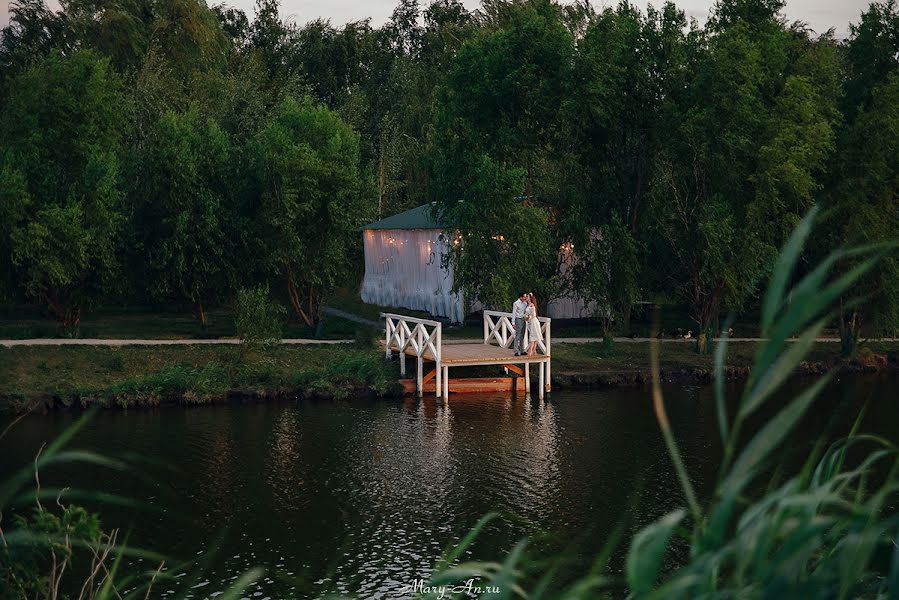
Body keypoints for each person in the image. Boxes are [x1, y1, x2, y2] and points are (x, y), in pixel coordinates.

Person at [511, 291, 528, 356]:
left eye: (526, 296)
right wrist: (513, 322)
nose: (525, 298)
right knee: (518, 335)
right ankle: (515, 350)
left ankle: (522, 350)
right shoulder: (516, 303)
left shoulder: (525, 303)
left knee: (522, 335)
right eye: (524, 297)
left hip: (524, 319)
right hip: (518, 319)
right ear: (520, 297)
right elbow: (514, 313)